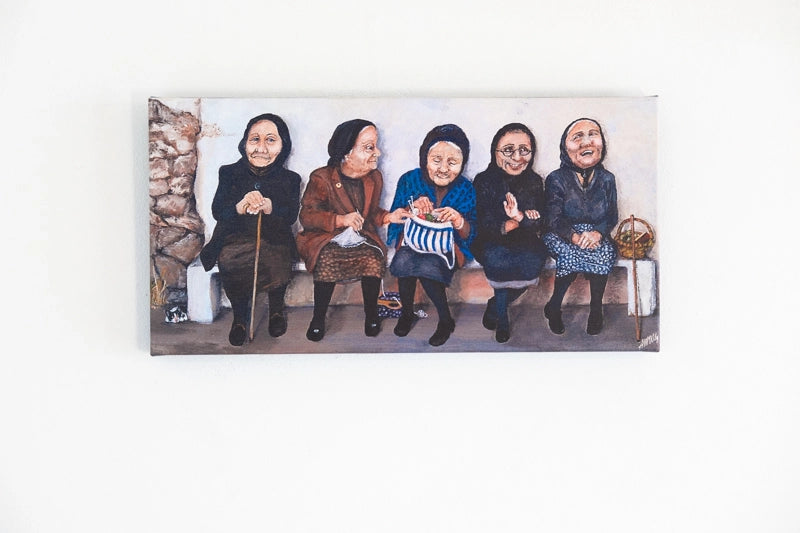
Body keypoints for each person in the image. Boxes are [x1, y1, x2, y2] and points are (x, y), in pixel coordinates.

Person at [296, 119, 410, 342]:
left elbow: (371, 213)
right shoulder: (322, 178)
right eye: (369, 147)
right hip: (326, 238)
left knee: (372, 257)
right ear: (347, 153)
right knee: (327, 258)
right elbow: (307, 216)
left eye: (375, 146)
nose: (377, 153)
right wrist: (340, 220)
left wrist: (389, 217)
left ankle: (371, 314)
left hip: (360, 237)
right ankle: (318, 318)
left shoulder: (374, 178)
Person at [198, 113, 301, 346]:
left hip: (274, 238)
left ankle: (276, 311)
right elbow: (218, 211)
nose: (261, 148)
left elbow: (290, 215)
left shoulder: (290, 179)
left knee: (276, 256)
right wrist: (240, 206)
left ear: (283, 145)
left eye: (270, 140)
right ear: (245, 143)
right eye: (255, 139)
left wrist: (270, 206)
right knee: (230, 258)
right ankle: (239, 318)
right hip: (235, 237)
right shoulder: (229, 173)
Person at [387, 124, 477, 346]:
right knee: (404, 261)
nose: (444, 169)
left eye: (452, 162)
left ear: (462, 163)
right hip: (413, 242)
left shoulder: (466, 188)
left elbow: (472, 233)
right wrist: (411, 208)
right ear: (424, 158)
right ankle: (407, 313)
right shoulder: (409, 180)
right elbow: (395, 217)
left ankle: (445, 320)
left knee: (429, 267)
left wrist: (458, 220)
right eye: (437, 160)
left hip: (448, 248)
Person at [472, 123, 548, 343]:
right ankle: (503, 320)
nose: (517, 157)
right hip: (490, 240)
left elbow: (540, 221)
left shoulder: (534, 182)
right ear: (495, 151)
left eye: (524, 150)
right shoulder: (483, 181)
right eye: (508, 150)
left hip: (526, 241)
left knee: (533, 262)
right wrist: (513, 222)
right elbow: (483, 221)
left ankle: (495, 306)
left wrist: (519, 217)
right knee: (500, 259)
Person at [543, 118, 618, 335]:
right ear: (565, 147)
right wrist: (574, 236)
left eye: (593, 134)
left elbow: (612, 215)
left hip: (594, 234)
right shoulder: (556, 178)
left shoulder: (607, 179)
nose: (587, 142)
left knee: (604, 252)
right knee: (569, 254)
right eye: (577, 137)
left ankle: (596, 309)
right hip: (560, 234)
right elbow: (553, 219)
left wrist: (597, 233)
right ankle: (554, 305)